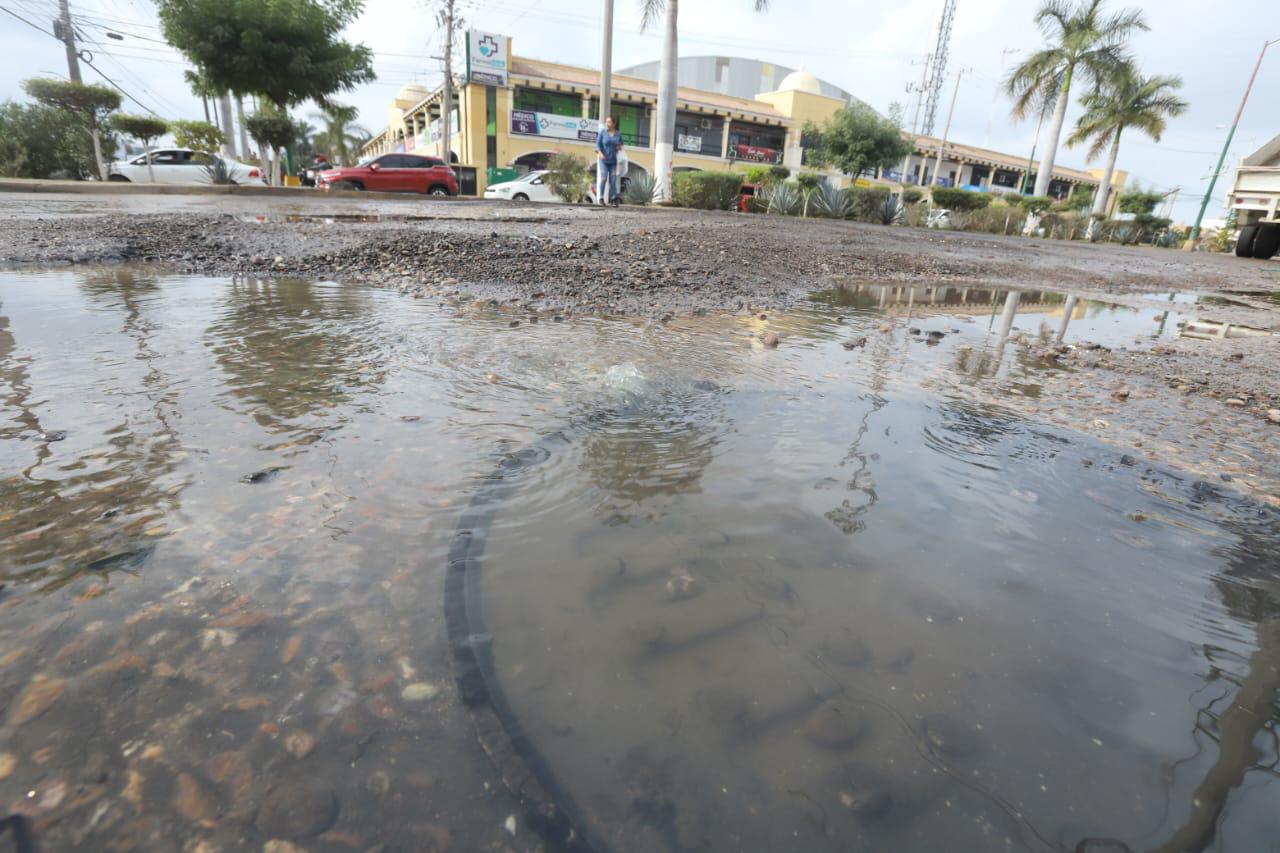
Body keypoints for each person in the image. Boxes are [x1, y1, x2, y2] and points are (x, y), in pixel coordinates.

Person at [595, 116, 623, 207]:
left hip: (613, 160)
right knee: (603, 178)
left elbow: (620, 144)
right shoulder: (602, 133)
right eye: (607, 122)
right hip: (603, 160)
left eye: (609, 122)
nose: (607, 124)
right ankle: (601, 198)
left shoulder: (618, 134)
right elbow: (597, 144)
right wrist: (600, 153)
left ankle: (614, 199)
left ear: (614, 124)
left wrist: (619, 147)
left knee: (613, 180)